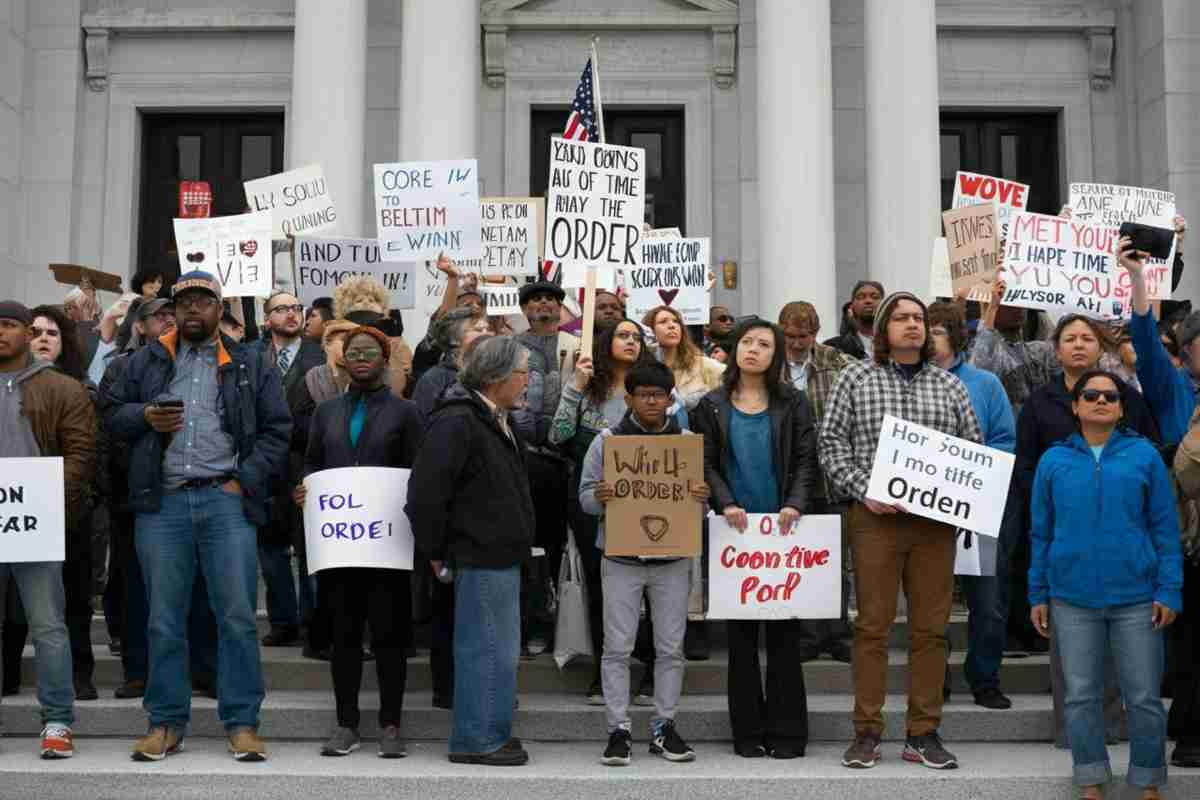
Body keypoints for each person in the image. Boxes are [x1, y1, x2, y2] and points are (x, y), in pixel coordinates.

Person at [102, 270, 290, 762]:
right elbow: (110, 417)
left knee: (237, 618)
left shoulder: (250, 362)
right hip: (162, 504)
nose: (192, 310)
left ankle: (243, 722)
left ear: (218, 310)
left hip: (225, 501)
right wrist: (144, 416)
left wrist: (243, 479)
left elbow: (277, 430)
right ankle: (165, 722)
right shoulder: (143, 362)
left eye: (203, 302)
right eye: (183, 303)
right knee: (163, 620)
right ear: (173, 310)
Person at [820, 291, 982, 771]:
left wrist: (961, 497)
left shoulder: (950, 387)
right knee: (871, 627)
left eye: (920, 319)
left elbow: (971, 450)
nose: (913, 325)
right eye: (903, 318)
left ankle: (923, 732)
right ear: (885, 328)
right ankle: (867, 732)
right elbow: (831, 444)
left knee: (931, 631)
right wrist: (862, 490)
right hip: (875, 520)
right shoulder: (855, 376)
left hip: (934, 526)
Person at [1029, 369, 1181, 800]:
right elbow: (1040, 533)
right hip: (1071, 599)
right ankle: (1091, 780)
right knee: (1080, 697)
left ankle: (1149, 782)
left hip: (1137, 598)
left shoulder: (1144, 456)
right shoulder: (1053, 461)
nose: (1101, 401)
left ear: (1120, 408)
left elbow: (1165, 529)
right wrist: (1037, 593)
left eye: (1110, 396)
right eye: (1091, 395)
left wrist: (1169, 589)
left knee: (1145, 698)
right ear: (1075, 406)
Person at [1011, 311, 1160, 746]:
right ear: (1056, 350)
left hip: (1122, 537)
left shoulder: (1124, 396)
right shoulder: (1040, 402)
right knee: (1069, 655)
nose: (1078, 345)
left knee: (1117, 650)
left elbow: (1149, 453)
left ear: (1101, 348)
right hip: (1063, 534)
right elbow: (1024, 463)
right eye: (1070, 338)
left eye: (1087, 338)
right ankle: (1072, 733)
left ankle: (1112, 727)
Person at [407, 336, 535, 767]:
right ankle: (477, 740)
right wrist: (436, 550)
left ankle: (491, 732)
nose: (527, 381)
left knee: (498, 650)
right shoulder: (458, 421)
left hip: (500, 554)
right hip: (478, 555)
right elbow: (425, 494)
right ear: (497, 376)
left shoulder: (494, 418)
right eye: (522, 372)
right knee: (486, 649)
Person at [692, 319, 817, 759]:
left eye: (764, 344)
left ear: (776, 355)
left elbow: (806, 460)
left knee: (784, 638)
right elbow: (704, 463)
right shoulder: (709, 405)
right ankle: (746, 733)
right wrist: (724, 502)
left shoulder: (794, 403)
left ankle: (787, 734)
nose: (753, 349)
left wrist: (796, 504)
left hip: (782, 535)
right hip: (734, 536)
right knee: (741, 642)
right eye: (747, 341)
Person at [296, 326, 422, 758]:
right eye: (354, 351)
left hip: (386, 545)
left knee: (389, 636)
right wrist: (305, 490)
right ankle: (346, 723)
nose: (362, 356)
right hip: (340, 545)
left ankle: (391, 724)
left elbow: (416, 473)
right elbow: (313, 463)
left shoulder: (406, 412)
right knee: (344, 635)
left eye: (371, 350)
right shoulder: (326, 412)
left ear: (385, 360)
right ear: (341, 360)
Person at [579, 361, 708, 766]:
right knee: (617, 647)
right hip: (621, 557)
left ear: (670, 398)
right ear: (629, 398)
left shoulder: (687, 443)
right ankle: (617, 729)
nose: (652, 400)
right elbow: (583, 499)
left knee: (671, 649)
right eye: (644, 394)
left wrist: (702, 497)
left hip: (672, 559)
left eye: (659, 394)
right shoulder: (607, 441)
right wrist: (599, 495)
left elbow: (698, 510)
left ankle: (663, 726)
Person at [0, 301, 96, 758]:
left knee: (48, 625)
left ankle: (57, 720)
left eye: (8, 325)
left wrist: (48, 498)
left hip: (34, 521)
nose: (0, 333)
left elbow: (81, 452)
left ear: (25, 333)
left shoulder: (61, 388)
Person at [550, 319, 654, 705]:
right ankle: (605, 672)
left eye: (637, 336)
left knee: (651, 583)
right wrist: (575, 386)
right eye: (624, 335)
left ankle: (651, 668)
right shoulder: (587, 389)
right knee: (601, 585)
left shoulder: (654, 390)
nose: (632, 341)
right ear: (606, 342)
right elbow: (558, 435)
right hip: (595, 501)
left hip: (648, 499)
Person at [926, 301, 1016, 710]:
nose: (926, 337)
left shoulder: (985, 384)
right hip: (924, 506)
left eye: (936, 331)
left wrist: (969, 467)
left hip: (977, 504)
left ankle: (985, 679)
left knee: (988, 600)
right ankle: (934, 680)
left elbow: (1004, 440)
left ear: (956, 336)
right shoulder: (906, 383)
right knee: (931, 602)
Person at [97, 298, 177, 701]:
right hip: (134, 493)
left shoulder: (193, 361)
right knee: (134, 587)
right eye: (158, 315)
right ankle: (137, 670)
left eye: (171, 314)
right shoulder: (122, 367)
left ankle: (198, 667)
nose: (168, 319)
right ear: (140, 327)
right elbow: (108, 425)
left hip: (185, 489)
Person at [777, 301, 855, 663]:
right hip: (788, 479)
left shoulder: (836, 362)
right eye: (790, 336)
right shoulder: (769, 363)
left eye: (803, 336)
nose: (795, 344)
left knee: (836, 560)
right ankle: (806, 635)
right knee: (799, 558)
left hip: (832, 477)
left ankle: (837, 633)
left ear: (816, 332)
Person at [253, 292, 325, 648]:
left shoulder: (320, 355)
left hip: (304, 462)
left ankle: (314, 624)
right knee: (270, 549)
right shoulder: (252, 356)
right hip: (265, 466)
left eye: (297, 308)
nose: (292, 314)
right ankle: (282, 622)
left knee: (309, 547)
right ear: (268, 318)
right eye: (281, 309)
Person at [515, 281, 575, 654]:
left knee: (558, 546)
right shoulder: (511, 349)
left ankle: (563, 626)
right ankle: (532, 621)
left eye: (551, 300)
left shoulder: (578, 345)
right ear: (525, 309)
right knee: (529, 545)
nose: (544, 306)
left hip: (566, 462)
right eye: (536, 300)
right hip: (523, 459)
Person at [334, 278, 413, 397]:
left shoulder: (395, 342)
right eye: (359, 300)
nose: (366, 303)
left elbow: (403, 380)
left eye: (372, 300)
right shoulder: (336, 339)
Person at [411, 307, 491, 422]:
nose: (487, 334)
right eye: (478, 330)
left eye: (487, 329)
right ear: (454, 339)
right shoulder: (433, 380)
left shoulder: (495, 373)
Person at [824, 281, 883, 360]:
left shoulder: (896, 345)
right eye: (861, 297)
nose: (868, 301)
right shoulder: (832, 347)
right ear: (851, 308)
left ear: (884, 305)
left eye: (875, 297)